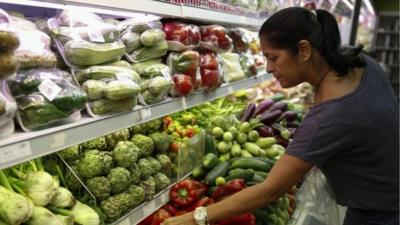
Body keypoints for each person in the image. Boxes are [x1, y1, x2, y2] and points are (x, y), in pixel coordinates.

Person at [162, 7, 399, 225]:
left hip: (380, 214)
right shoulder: (359, 62)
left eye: (273, 57)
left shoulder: (330, 115)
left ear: (304, 50)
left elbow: (271, 190)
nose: (267, 68)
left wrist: (196, 218)